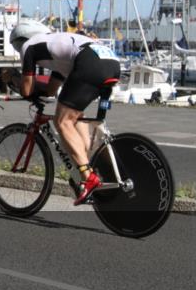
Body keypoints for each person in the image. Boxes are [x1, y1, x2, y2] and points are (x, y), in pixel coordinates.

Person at [9, 19, 121, 205]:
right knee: (75, 116)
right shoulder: (58, 49)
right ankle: (86, 165)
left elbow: (27, 90)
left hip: (90, 62)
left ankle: (88, 178)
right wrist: (41, 91)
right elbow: (52, 90)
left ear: (21, 40)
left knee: (62, 121)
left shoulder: (29, 46)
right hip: (110, 62)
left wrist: (13, 79)